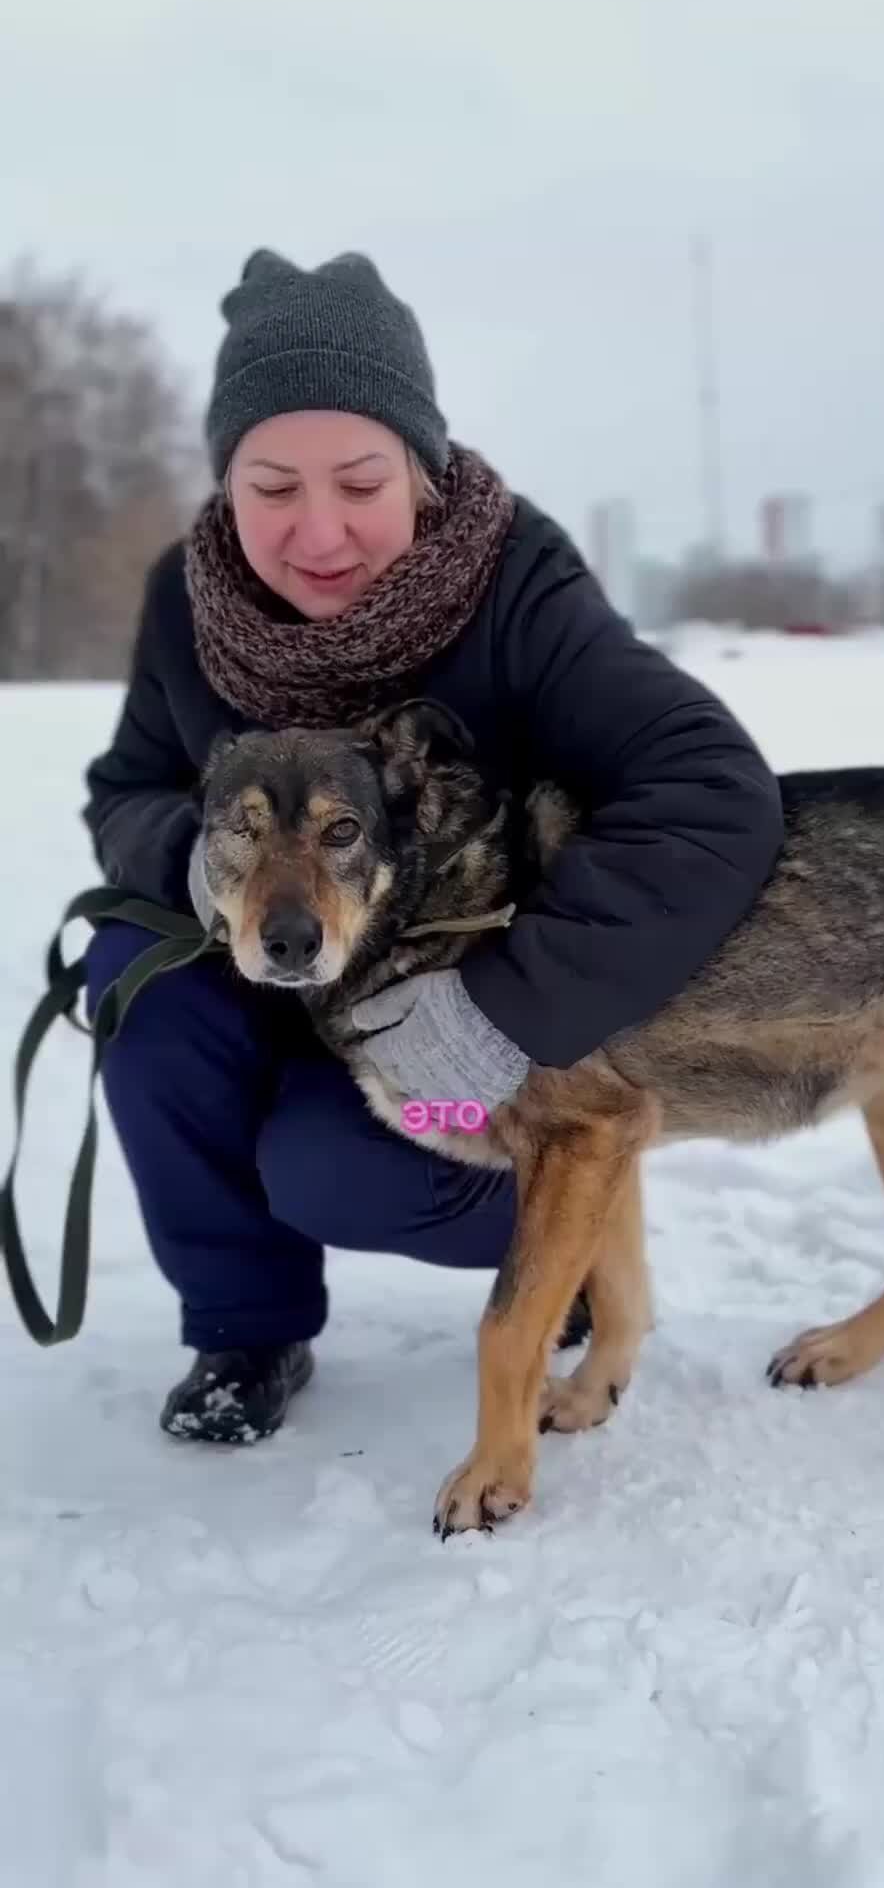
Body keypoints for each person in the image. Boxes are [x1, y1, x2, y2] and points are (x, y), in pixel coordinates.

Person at [81, 247, 784, 1445]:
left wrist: (508, 1012)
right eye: (271, 486)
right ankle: (244, 1326)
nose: (318, 532)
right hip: (286, 962)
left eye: (359, 481)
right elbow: (129, 790)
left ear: (421, 466)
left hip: (459, 1016)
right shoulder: (182, 602)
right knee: (134, 988)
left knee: (333, 1169)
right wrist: (203, 865)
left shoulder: (515, 582)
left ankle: (564, 1254)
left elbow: (712, 791)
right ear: (224, 485)